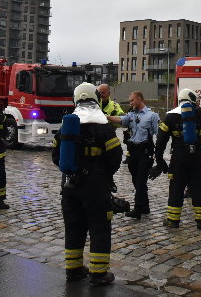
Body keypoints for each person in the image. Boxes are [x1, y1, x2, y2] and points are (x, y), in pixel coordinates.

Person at [53, 82, 122, 285]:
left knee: (73, 228)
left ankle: (73, 270)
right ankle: (99, 274)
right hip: (95, 187)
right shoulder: (103, 126)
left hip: (69, 186)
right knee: (99, 227)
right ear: (97, 99)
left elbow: (55, 156)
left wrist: (72, 170)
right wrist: (102, 174)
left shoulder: (67, 125)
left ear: (76, 100)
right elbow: (116, 157)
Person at [153, 88, 201, 229]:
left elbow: (161, 141)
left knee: (176, 189)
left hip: (179, 159)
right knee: (198, 189)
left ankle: (173, 221)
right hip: (198, 158)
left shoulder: (170, 116)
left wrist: (160, 160)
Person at [107, 91, 158, 219]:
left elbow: (159, 135)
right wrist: (107, 117)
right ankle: (145, 207)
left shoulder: (152, 116)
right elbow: (121, 120)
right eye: (130, 101)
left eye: (132, 100)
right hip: (133, 152)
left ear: (139, 99)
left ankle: (138, 210)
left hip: (145, 152)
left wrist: (158, 155)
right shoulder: (131, 115)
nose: (130, 103)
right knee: (137, 181)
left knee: (140, 181)